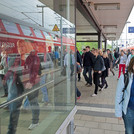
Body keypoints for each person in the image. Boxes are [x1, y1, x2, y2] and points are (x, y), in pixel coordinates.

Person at [115, 57, 134, 134]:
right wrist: (118, 112)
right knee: (129, 131)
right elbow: (118, 95)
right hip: (129, 110)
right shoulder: (125, 77)